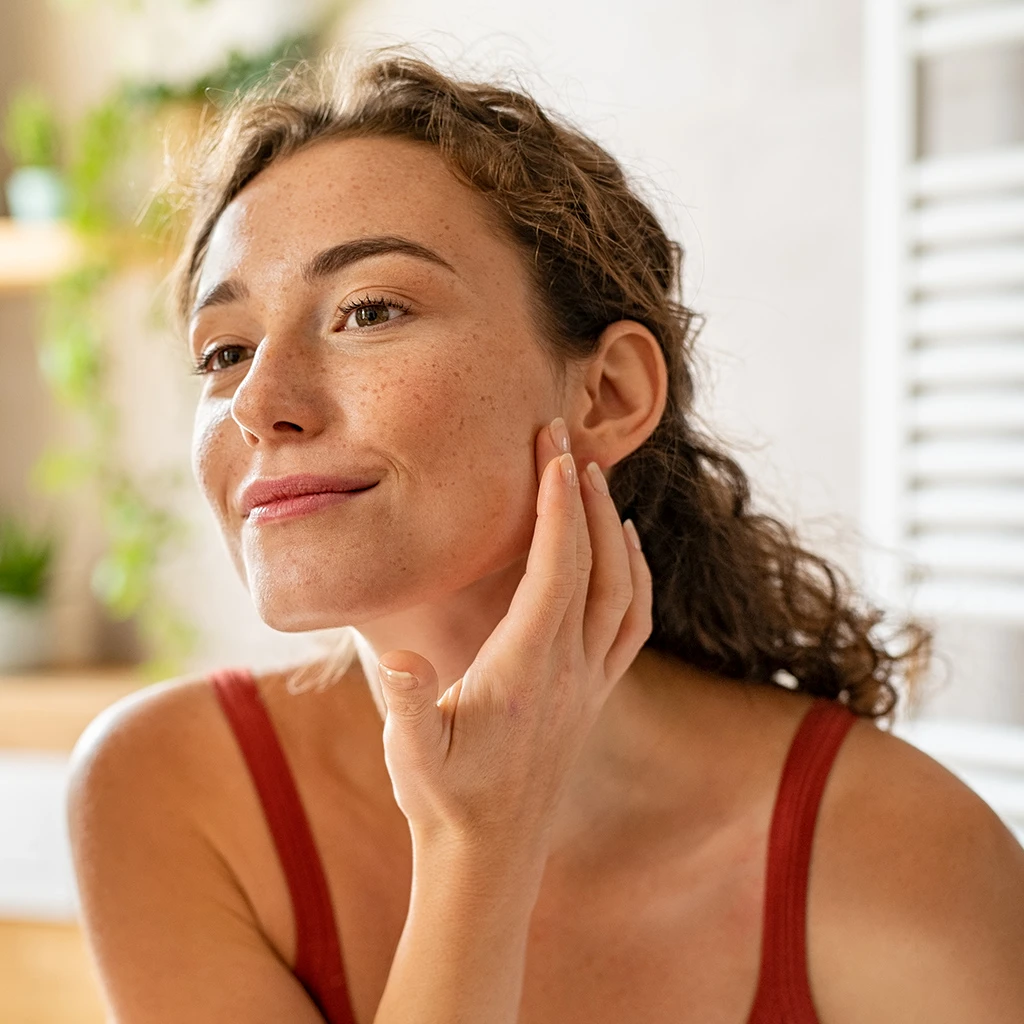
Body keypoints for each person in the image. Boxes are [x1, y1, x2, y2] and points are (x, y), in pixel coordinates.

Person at [66, 49, 1024, 1024]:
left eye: (368, 310)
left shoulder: (901, 848)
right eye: (224, 352)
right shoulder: (173, 791)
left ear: (608, 393)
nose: (260, 403)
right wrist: (477, 845)